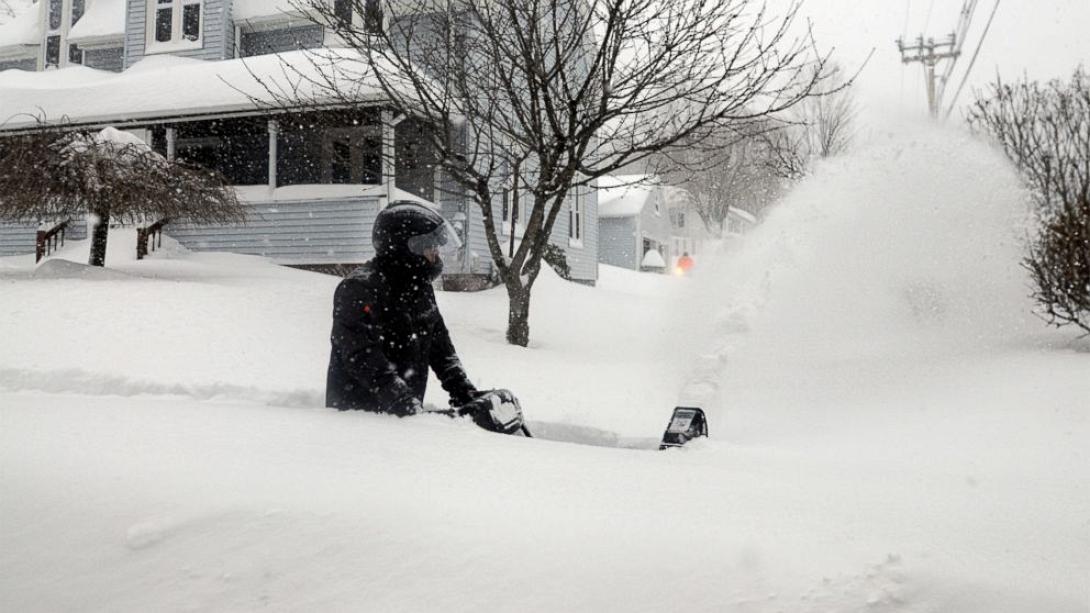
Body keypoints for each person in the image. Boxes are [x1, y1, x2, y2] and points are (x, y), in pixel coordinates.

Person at [326, 201, 478, 415]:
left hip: (404, 419)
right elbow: (361, 356)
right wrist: (402, 401)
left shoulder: (420, 288)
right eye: (429, 246)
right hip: (358, 420)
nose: (435, 253)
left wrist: (465, 392)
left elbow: (441, 349)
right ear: (405, 247)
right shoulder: (359, 289)